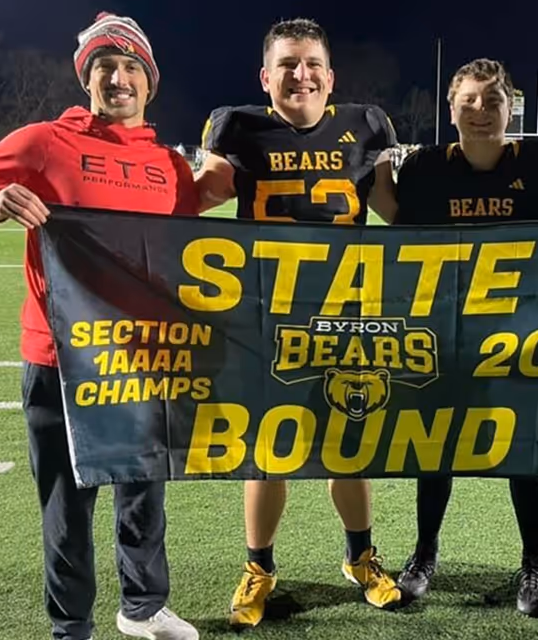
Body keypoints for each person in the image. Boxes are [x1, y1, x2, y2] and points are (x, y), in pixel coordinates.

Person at [0, 12, 199, 640]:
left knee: (144, 489)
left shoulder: (171, 165)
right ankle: (72, 627)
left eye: (131, 67)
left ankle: (142, 607)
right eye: (105, 67)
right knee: (68, 503)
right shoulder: (41, 142)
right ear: (87, 77)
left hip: (143, 358)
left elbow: (198, 248)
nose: (119, 78)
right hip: (59, 355)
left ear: (150, 81)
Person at [194, 17, 402, 629]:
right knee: (267, 452)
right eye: (287, 64)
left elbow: (400, 211)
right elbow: (197, 197)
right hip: (265, 317)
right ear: (266, 76)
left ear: (330, 76)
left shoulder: (366, 125)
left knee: (348, 449)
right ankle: (259, 566)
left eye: (311, 63)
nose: (300, 74)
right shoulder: (237, 126)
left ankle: (359, 555)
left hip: (346, 315)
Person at [391, 57, 538, 616]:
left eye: (493, 100)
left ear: (512, 108)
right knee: (437, 448)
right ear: (451, 108)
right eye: (469, 100)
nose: (481, 111)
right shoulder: (427, 168)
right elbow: (398, 244)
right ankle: (425, 553)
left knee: (522, 450)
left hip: (520, 335)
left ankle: (534, 561)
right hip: (447, 332)